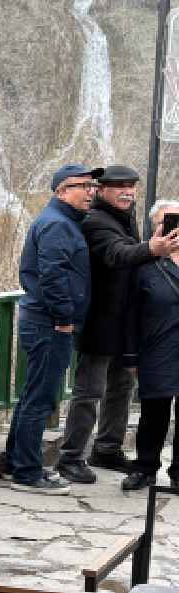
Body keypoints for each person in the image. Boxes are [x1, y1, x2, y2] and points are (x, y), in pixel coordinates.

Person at [59, 166, 179, 483]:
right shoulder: (96, 221)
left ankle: (107, 449)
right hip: (100, 322)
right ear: (101, 190)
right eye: (119, 187)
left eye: (131, 186)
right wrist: (152, 249)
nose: (127, 191)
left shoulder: (124, 216)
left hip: (125, 323)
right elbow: (116, 254)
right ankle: (71, 457)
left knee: (121, 389)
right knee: (89, 392)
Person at [4, 164, 101, 495]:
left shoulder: (63, 221)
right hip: (49, 323)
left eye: (92, 186)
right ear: (61, 191)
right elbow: (52, 274)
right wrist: (64, 318)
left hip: (45, 320)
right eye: (83, 186)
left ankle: (16, 463)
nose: (91, 192)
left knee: (34, 394)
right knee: (40, 398)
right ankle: (27, 473)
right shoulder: (57, 224)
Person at [122, 201, 179, 491]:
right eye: (165, 223)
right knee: (154, 411)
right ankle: (145, 467)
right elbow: (130, 313)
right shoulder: (145, 265)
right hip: (157, 347)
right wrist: (131, 355)